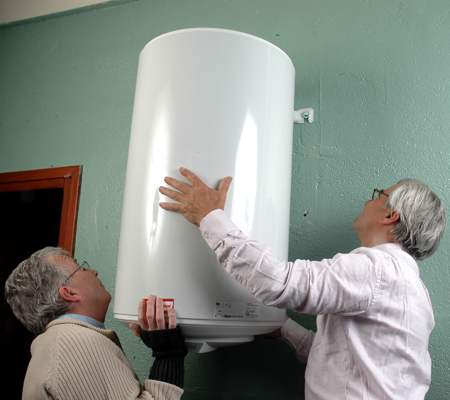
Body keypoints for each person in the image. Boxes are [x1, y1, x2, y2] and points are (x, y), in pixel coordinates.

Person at [159, 167, 446, 400]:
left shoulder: (377, 269)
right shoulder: (412, 288)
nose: (367, 200)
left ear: (390, 214)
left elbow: (280, 282)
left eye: (378, 195)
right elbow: (338, 358)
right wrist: (282, 328)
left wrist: (210, 217)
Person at [4, 246, 187, 400]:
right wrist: (167, 353)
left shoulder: (56, 342)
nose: (94, 272)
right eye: (82, 268)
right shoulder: (74, 342)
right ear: (70, 293)